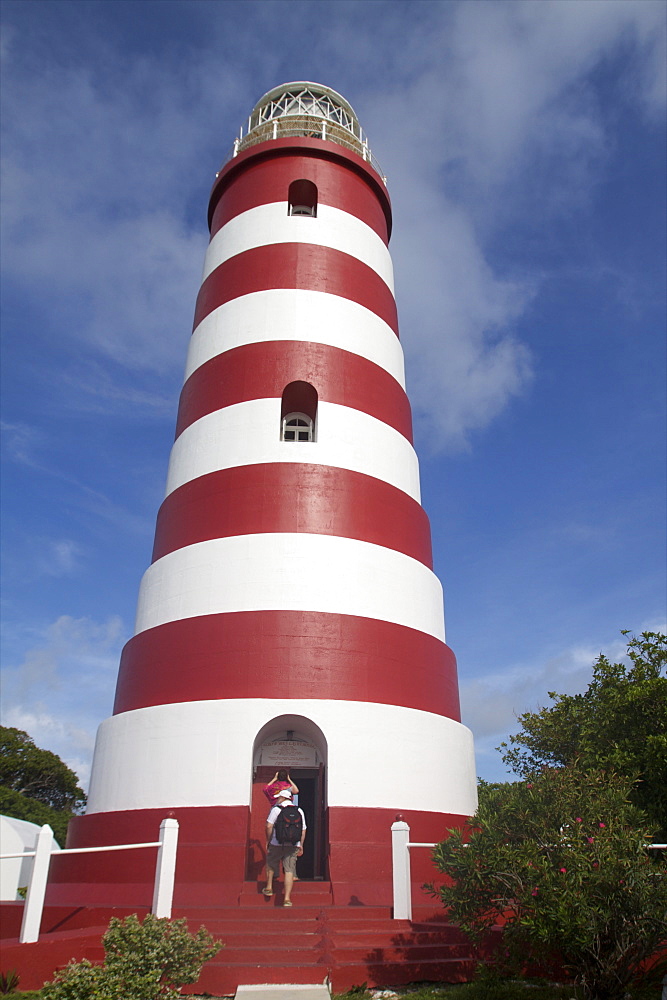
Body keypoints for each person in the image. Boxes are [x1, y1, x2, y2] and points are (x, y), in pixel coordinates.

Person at [263, 787, 306, 907]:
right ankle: (287, 899)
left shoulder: (276, 809)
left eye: (279, 798)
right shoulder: (300, 810)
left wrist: (268, 840)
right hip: (293, 845)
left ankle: (269, 887)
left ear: (282, 798)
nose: (277, 800)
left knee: (271, 863)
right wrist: (300, 845)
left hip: (277, 842)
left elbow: (268, 826)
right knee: (289, 870)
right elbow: (303, 830)